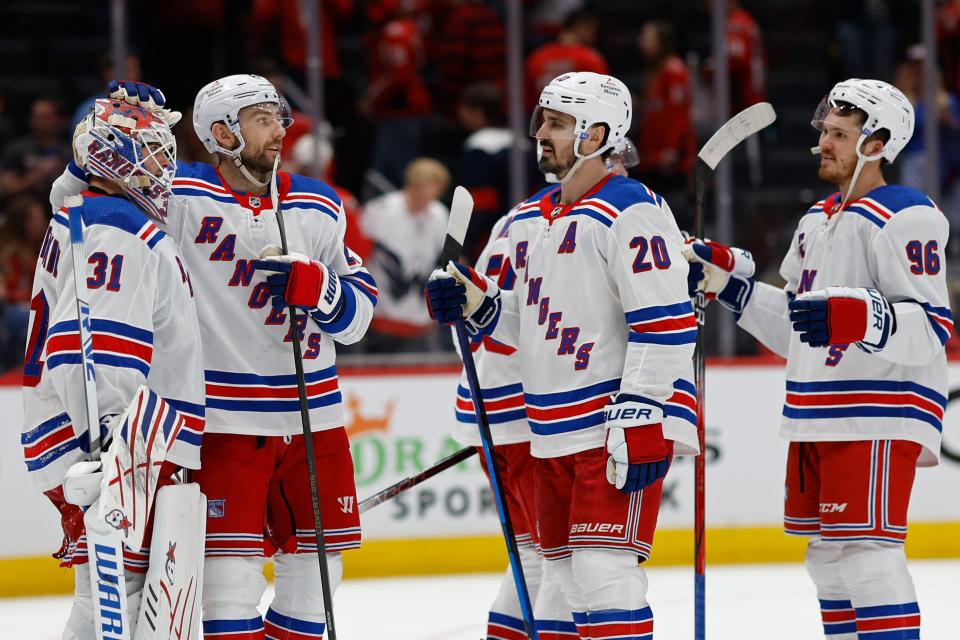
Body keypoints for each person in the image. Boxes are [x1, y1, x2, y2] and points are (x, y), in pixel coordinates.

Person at [51, 75, 378, 640]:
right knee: (229, 583)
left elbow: (358, 314)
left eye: (280, 117)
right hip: (220, 422)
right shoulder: (176, 195)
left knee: (319, 578)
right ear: (221, 132)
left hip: (314, 419)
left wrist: (320, 288)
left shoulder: (321, 202)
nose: (282, 130)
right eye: (264, 119)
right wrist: (98, 145)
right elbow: (76, 209)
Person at [427, 71, 699, 638]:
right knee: (564, 576)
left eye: (556, 123)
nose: (540, 134)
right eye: (542, 121)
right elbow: (521, 324)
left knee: (604, 573)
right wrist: (474, 303)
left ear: (597, 133)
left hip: (612, 425)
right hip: (549, 428)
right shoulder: (530, 218)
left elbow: (667, 325)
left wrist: (643, 410)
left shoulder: (632, 210)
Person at [686, 78, 950, 639]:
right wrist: (729, 288)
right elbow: (797, 327)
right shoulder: (816, 221)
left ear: (875, 144)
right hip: (817, 411)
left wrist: (863, 318)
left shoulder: (907, 215)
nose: (822, 144)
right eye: (824, 132)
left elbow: (932, 327)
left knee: (866, 556)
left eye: (838, 134)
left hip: (876, 410)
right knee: (828, 561)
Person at [26, 97, 204, 639]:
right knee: (120, 605)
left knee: (119, 602)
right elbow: (92, 343)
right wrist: (108, 442)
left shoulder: (92, 213)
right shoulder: (116, 224)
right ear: (114, 155)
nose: (163, 165)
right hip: (121, 443)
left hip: (113, 437)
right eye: (149, 151)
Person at [449, 209, 547, 639]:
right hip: (533, 413)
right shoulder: (571, 217)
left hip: (486, 406)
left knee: (530, 553)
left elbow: (464, 320)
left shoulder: (511, 220)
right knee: (554, 556)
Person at [362, 157, 449, 352]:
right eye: (426, 187)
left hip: (421, 323)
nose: (430, 195)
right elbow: (359, 258)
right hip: (381, 320)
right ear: (413, 184)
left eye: (436, 188)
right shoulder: (379, 211)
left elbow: (441, 263)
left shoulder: (440, 214)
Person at [525, 9, 609, 110]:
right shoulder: (590, 58)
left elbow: (526, 97)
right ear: (581, 26)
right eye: (593, 30)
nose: (595, 37)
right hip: (578, 118)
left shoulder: (537, 57)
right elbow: (604, 96)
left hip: (542, 118)